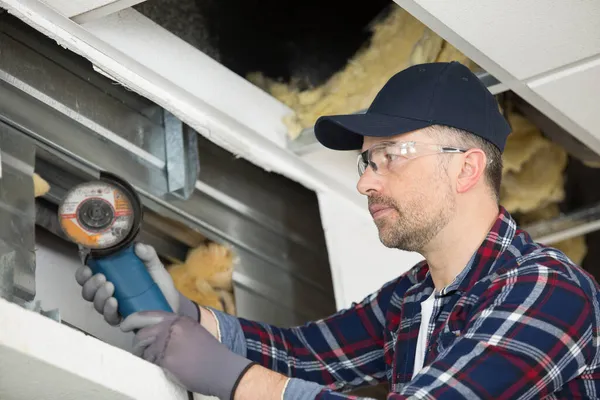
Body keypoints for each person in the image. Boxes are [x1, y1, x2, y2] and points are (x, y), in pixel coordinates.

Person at [76, 61, 600, 400]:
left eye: (390, 156)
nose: (367, 181)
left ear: (465, 168)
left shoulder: (550, 292)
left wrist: (237, 382)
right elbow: (304, 355)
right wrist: (184, 313)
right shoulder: (415, 297)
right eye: (366, 162)